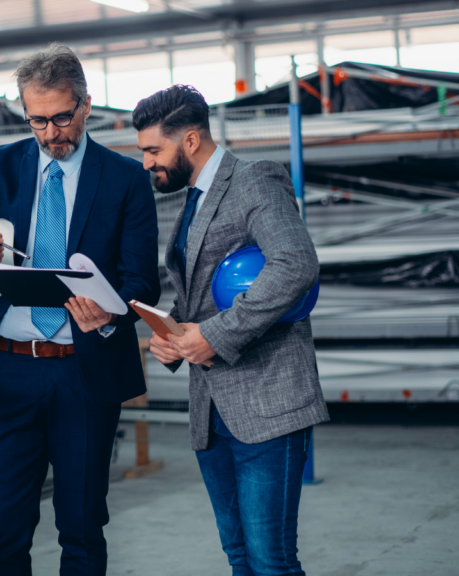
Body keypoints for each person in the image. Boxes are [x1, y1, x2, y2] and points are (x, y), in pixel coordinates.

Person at [0, 43, 159, 576]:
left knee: (81, 528)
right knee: (4, 531)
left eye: (61, 117)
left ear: (86, 105)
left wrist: (114, 313)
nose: (52, 132)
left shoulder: (124, 178)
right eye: (37, 121)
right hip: (11, 369)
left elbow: (143, 281)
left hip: (86, 372)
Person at [135, 85, 329, 576]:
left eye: (154, 150)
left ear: (192, 140)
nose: (146, 163)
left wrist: (215, 336)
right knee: (239, 555)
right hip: (212, 408)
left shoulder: (255, 180)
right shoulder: (194, 200)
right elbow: (200, 294)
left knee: (271, 561)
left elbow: (295, 264)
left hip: (267, 402)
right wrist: (172, 334)